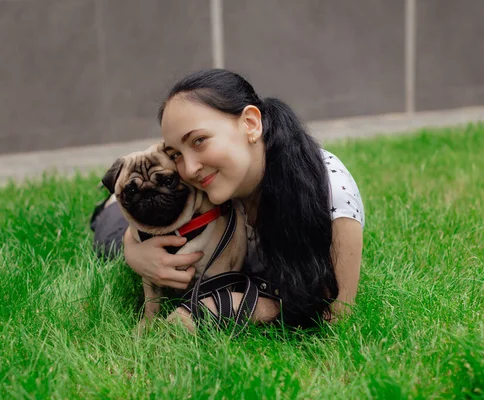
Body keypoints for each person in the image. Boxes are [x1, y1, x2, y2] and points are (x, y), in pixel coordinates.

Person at [91, 69, 364, 328]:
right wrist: (133, 252)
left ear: (250, 124)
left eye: (199, 141)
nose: (189, 169)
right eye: (176, 154)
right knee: (110, 238)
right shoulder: (214, 178)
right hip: (138, 223)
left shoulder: (330, 197)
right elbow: (147, 211)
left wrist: (236, 305)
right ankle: (109, 205)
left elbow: (334, 315)